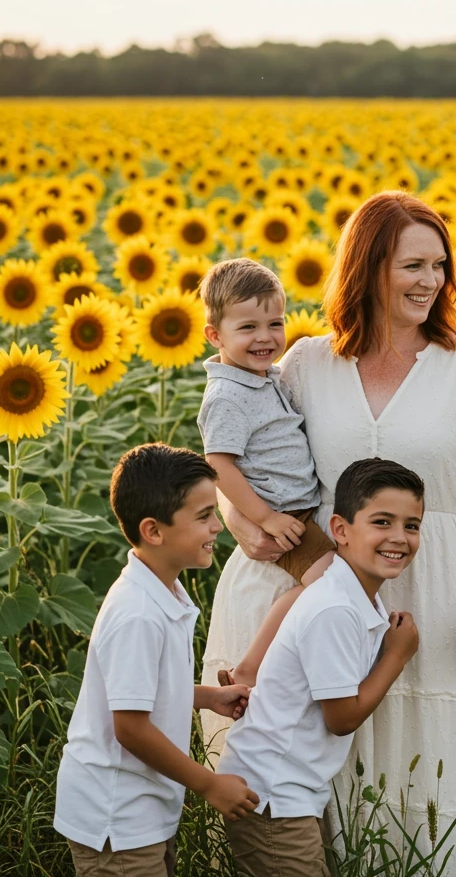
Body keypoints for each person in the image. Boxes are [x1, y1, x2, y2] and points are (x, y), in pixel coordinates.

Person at [209, 191, 456, 869]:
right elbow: (237, 463)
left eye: (439, 266)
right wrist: (243, 523)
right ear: (367, 266)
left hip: (441, 587)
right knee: (317, 764)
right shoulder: (304, 363)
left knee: (437, 761)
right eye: (411, 265)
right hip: (323, 585)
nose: (430, 281)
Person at [53, 443, 258, 876]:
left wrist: (206, 697)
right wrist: (210, 785)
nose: (217, 526)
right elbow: (130, 727)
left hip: (140, 811)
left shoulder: (163, 592)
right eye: (203, 516)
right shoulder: (138, 614)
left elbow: (145, 691)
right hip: (116, 816)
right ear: (154, 530)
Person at [218, 458, 424, 877]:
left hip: (281, 791)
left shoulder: (349, 596)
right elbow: (341, 717)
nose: (399, 538)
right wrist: (397, 655)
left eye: (412, 525)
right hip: (270, 795)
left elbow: (291, 601)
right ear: (341, 530)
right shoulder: (336, 608)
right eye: (382, 522)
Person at [196, 258, 335, 700]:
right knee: (331, 581)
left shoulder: (264, 377)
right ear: (214, 335)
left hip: (297, 508)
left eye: (275, 323)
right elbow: (219, 465)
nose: (265, 338)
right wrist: (267, 518)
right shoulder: (226, 395)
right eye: (248, 327)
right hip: (284, 512)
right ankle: (251, 666)